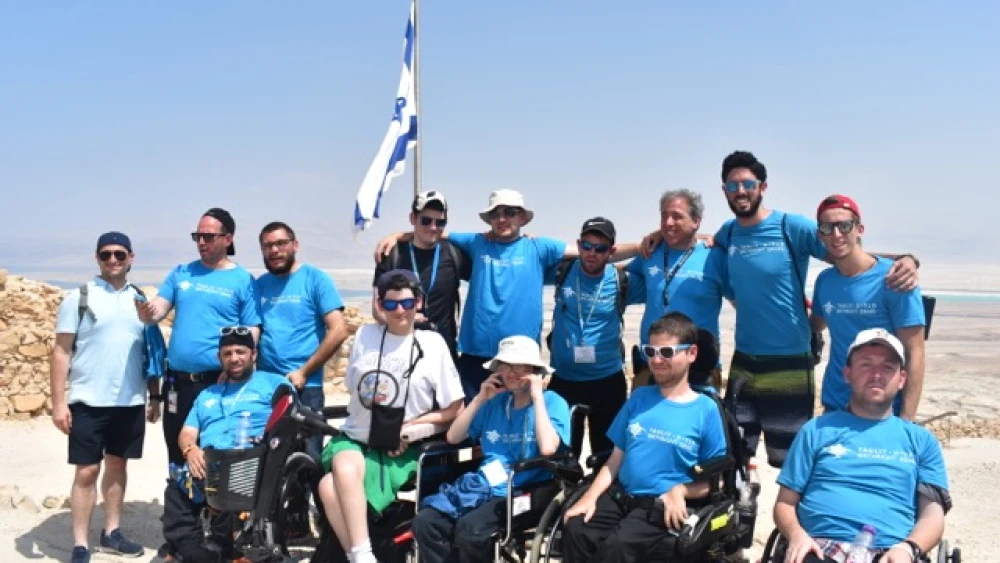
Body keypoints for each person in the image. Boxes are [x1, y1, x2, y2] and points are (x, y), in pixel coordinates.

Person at [712, 151, 919, 468]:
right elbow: (714, 256)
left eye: (748, 184)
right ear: (724, 190)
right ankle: (741, 500)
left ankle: (791, 504)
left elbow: (844, 247)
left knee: (790, 459)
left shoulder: (789, 226)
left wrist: (905, 259)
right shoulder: (727, 233)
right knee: (736, 452)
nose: (741, 191)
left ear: (763, 187)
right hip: (745, 359)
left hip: (790, 360)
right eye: (732, 185)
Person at [375, 189, 639, 401]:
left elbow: (594, 251)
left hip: (521, 361)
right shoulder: (477, 242)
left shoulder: (539, 247)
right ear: (489, 219)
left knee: (518, 432)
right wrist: (398, 235)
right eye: (496, 213)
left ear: (522, 218)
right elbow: (433, 233)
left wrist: (643, 245)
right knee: (473, 431)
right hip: (475, 358)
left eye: (510, 213)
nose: (502, 219)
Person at [135, 207, 261, 559]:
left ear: (227, 238)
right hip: (179, 384)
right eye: (197, 236)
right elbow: (159, 309)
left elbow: (252, 329)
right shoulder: (182, 272)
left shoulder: (242, 280)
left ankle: (220, 537)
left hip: (219, 384)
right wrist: (147, 313)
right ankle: (180, 535)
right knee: (180, 456)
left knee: (218, 455)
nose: (201, 242)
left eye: (208, 236)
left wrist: (237, 367)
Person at [318, 270, 465, 563]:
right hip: (357, 438)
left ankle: (358, 555)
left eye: (407, 303)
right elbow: (354, 387)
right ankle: (363, 555)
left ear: (419, 302)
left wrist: (411, 427)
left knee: (328, 485)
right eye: (391, 304)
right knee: (344, 467)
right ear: (379, 304)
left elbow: (454, 409)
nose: (400, 311)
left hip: (401, 448)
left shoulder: (432, 344)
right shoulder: (365, 335)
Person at [561, 313, 727, 563]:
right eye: (651, 352)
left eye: (667, 352)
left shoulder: (706, 410)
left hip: (661, 505)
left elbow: (717, 482)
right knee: (576, 528)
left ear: (691, 353)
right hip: (622, 496)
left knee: (618, 546)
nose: (657, 360)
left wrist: (680, 491)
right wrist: (589, 497)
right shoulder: (639, 398)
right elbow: (615, 459)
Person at [774, 329, 950, 563]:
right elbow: (785, 503)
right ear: (847, 374)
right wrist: (797, 536)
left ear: (901, 379)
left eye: (887, 367)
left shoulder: (921, 441)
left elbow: (933, 515)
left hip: (892, 551)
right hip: (820, 547)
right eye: (866, 365)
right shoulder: (816, 430)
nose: (876, 375)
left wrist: (908, 548)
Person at [50, 232, 164, 563]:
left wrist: (154, 396)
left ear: (131, 257)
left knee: (117, 464)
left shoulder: (140, 301)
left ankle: (112, 532)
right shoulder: (79, 298)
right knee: (86, 471)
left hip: (129, 401)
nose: (113, 260)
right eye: (106, 254)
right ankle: (80, 544)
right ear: (97, 258)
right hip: (87, 401)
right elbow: (61, 352)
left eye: (119, 254)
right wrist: (59, 403)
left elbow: (150, 352)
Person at [411, 335, 571, 563]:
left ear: (535, 370)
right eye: (505, 366)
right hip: (484, 485)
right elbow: (454, 437)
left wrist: (537, 398)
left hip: (527, 489)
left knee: (471, 530)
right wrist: (479, 399)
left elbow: (547, 448)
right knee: (426, 522)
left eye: (519, 366)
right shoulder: (495, 402)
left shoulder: (552, 402)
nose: (511, 372)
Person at [164, 327, 291, 563]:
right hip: (210, 462)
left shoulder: (274, 384)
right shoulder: (207, 394)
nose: (234, 358)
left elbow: (289, 422)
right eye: (227, 353)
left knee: (228, 489)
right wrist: (190, 449)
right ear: (219, 358)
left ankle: (220, 551)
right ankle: (193, 550)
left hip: (250, 461)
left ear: (253, 354)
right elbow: (187, 433)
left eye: (240, 352)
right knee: (177, 488)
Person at [810, 195, 927, 419]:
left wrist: (906, 421)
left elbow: (915, 351)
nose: (836, 234)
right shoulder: (825, 281)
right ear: (820, 235)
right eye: (827, 228)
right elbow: (815, 324)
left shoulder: (895, 278)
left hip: (882, 410)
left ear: (859, 229)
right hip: (836, 405)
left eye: (844, 226)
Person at [256, 220, 349, 459]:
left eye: (281, 243)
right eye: (268, 246)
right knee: (269, 462)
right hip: (267, 388)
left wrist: (304, 371)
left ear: (295, 245)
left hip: (305, 387)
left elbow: (339, 329)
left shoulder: (315, 279)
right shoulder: (260, 285)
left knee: (307, 460)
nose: (274, 250)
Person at [548, 217, 639, 456]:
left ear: (612, 252)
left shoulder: (622, 281)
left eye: (600, 248)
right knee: (563, 456)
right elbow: (530, 257)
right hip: (564, 380)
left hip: (607, 381)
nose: (592, 253)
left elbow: (662, 277)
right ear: (578, 245)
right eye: (587, 246)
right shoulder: (562, 271)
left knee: (606, 455)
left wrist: (692, 242)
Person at [630, 189, 729, 387]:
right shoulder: (649, 252)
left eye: (676, 216)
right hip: (652, 364)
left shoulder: (716, 256)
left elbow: (740, 299)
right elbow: (609, 270)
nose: (668, 223)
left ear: (696, 221)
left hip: (699, 369)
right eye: (664, 216)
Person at [372, 190, 471, 359]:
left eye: (440, 222)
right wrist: (406, 320)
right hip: (400, 352)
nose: (433, 227)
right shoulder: (392, 255)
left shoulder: (454, 254)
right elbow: (377, 309)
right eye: (426, 220)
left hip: (443, 354)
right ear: (413, 218)